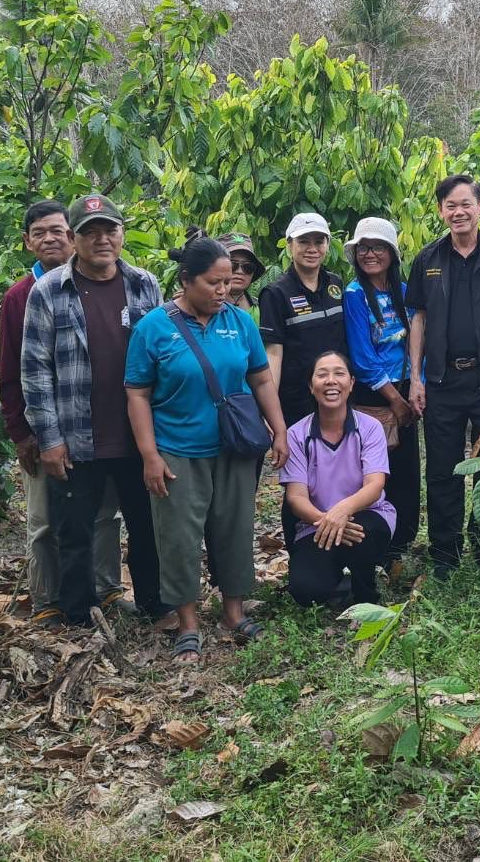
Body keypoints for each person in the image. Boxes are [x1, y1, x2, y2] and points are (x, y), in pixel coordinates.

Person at [124, 235, 288, 660]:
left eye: (227, 282)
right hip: (178, 449)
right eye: (213, 283)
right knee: (179, 537)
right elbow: (137, 393)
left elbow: (260, 378)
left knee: (235, 527)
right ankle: (188, 622)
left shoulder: (239, 321)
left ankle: (233, 612)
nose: (223, 290)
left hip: (234, 447)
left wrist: (280, 430)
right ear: (186, 280)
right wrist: (149, 455)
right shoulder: (153, 328)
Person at [22, 194, 168, 628]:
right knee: (75, 530)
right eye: (90, 231)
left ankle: (154, 604)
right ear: (74, 237)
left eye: (110, 230)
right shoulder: (48, 291)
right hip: (76, 434)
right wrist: (49, 440)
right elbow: (35, 370)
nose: (102, 239)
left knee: (146, 525)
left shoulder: (145, 284)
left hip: (137, 434)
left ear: (122, 234)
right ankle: (79, 614)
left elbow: (162, 356)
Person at [0, 200, 125, 622]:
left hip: (105, 428)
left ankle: (105, 589)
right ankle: (48, 599)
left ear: (72, 237)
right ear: (27, 241)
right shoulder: (24, 295)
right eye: (40, 232)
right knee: (46, 520)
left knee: (103, 515)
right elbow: (20, 369)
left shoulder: (121, 282)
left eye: (58, 230)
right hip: (48, 430)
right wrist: (26, 433)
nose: (51, 239)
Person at [406, 174, 480, 578]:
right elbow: (418, 318)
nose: (458, 212)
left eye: (465, 204)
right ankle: (444, 553)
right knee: (442, 469)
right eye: (450, 205)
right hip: (442, 382)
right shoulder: (428, 259)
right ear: (440, 211)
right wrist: (416, 378)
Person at [258, 212, 348, 545]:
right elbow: (274, 354)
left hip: (337, 400)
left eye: (318, 241)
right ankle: (301, 551)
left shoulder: (336, 284)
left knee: (338, 474)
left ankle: (337, 544)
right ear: (289, 245)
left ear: (327, 245)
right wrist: (273, 414)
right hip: (297, 402)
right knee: (300, 479)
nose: (312, 249)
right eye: (304, 242)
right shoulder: (276, 293)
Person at [281, 352, 398, 608]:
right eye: (322, 375)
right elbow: (295, 497)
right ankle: (340, 581)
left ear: (352, 383)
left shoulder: (370, 427)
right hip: (316, 523)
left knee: (364, 533)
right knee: (306, 591)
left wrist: (342, 512)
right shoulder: (296, 434)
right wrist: (329, 521)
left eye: (339, 373)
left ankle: (366, 594)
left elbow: (375, 484)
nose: (331, 381)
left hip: (366, 515)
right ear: (311, 386)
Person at [342, 217, 422, 573]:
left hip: (408, 389)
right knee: (376, 470)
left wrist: (417, 386)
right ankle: (377, 543)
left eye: (377, 247)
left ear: (391, 253)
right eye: (363, 248)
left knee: (407, 468)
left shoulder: (404, 292)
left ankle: (402, 541)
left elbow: (419, 342)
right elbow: (362, 356)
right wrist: (395, 399)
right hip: (377, 394)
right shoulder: (355, 295)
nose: (369, 254)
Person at [216, 232, 264, 317]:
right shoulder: (202, 307)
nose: (239, 271)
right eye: (232, 265)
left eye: (248, 267)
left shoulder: (262, 308)